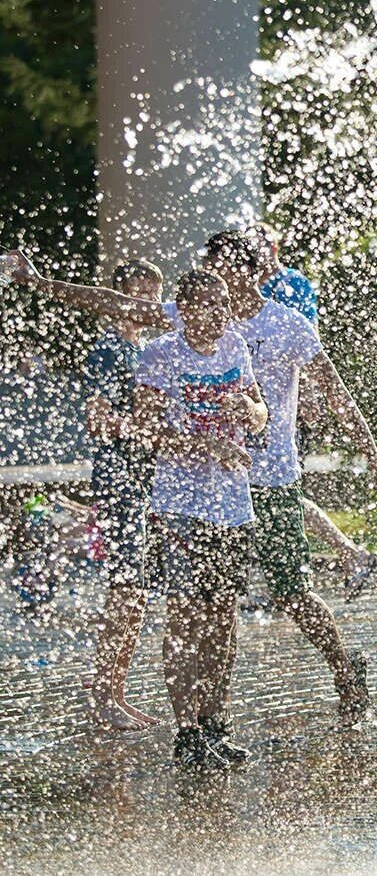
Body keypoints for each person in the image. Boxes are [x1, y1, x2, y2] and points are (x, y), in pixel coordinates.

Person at [7, 232, 377, 726]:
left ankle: (343, 670)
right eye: (212, 267)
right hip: (202, 491)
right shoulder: (194, 314)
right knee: (201, 608)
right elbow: (117, 304)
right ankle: (203, 724)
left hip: (269, 478)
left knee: (290, 590)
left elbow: (335, 393)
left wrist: (376, 460)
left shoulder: (286, 325)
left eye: (226, 267)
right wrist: (38, 283)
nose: (215, 280)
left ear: (253, 272)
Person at [132, 269, 268, 768]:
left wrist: (246, 410)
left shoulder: (235, 347)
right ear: (185, 308)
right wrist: (204, 444)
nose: (220, 313)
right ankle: (187, 732)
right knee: (186, 618)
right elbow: (146, 433)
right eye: (208, 305)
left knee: (223, 621)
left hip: (232, 507)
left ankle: (215, 724)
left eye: (224, 303)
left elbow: (260, 413)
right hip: (179, 508)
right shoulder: (158, 354)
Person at [247, 222, 377, 592]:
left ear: (275, 248)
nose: (257, 254)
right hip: (256, 413)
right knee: (265, 492)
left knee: (281, 491)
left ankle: (344, 552)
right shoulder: (246, 291)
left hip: (287, 411)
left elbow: (306, 343)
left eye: (262, 246)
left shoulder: (291, 285)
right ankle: (336, 556)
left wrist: (307, 395)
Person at [84, 259, 165, 731]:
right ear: (117, 298)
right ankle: (103, 695)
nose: (148, 304)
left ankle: (115, 691)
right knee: (125, 589)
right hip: (120, 481)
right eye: (138, 295)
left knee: (135, 593)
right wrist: (147, 431)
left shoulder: (146, 350)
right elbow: (97, 419)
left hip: (142, 482)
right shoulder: (108, 350)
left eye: (153, 295)